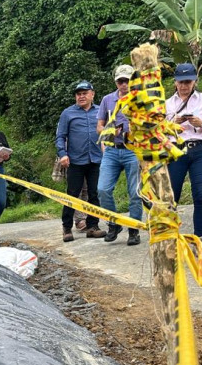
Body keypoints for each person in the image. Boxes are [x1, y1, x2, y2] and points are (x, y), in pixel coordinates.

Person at [165, 63, 202, 240]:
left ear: (195, 81)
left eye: (187, 82)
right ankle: (170, 235)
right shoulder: (168, 104)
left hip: (200, 149)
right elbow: (162, 132)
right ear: (175, 82)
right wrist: (175, 124)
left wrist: (201, 124)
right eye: (180, 82)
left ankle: (199, 237)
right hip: (177, 151)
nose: (184, 86)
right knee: (172, 195)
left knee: (201, 194)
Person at [96, 64, 142, 246]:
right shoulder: (107, 100)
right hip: (112, 150)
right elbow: (99, 126)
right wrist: (111, 131)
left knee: (135, 193)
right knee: (103, 189)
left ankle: (134, 228)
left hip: (133, 150)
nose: (124, 84)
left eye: (127, 81)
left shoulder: (140, 99)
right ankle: (113, 223)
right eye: (120, 81)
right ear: (116, 82)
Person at [56, 80, 106, 242]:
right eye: (79, 94)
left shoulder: (101, 111)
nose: (81, 96)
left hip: (96, 159)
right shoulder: (67, 113)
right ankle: (66, 227)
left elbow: (108, 132)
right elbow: (60, 136)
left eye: (85, 93)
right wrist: (63, 154)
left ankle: (92, 226)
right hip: (75, 161)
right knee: (72, 194)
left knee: (94, 194)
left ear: (92, 94)